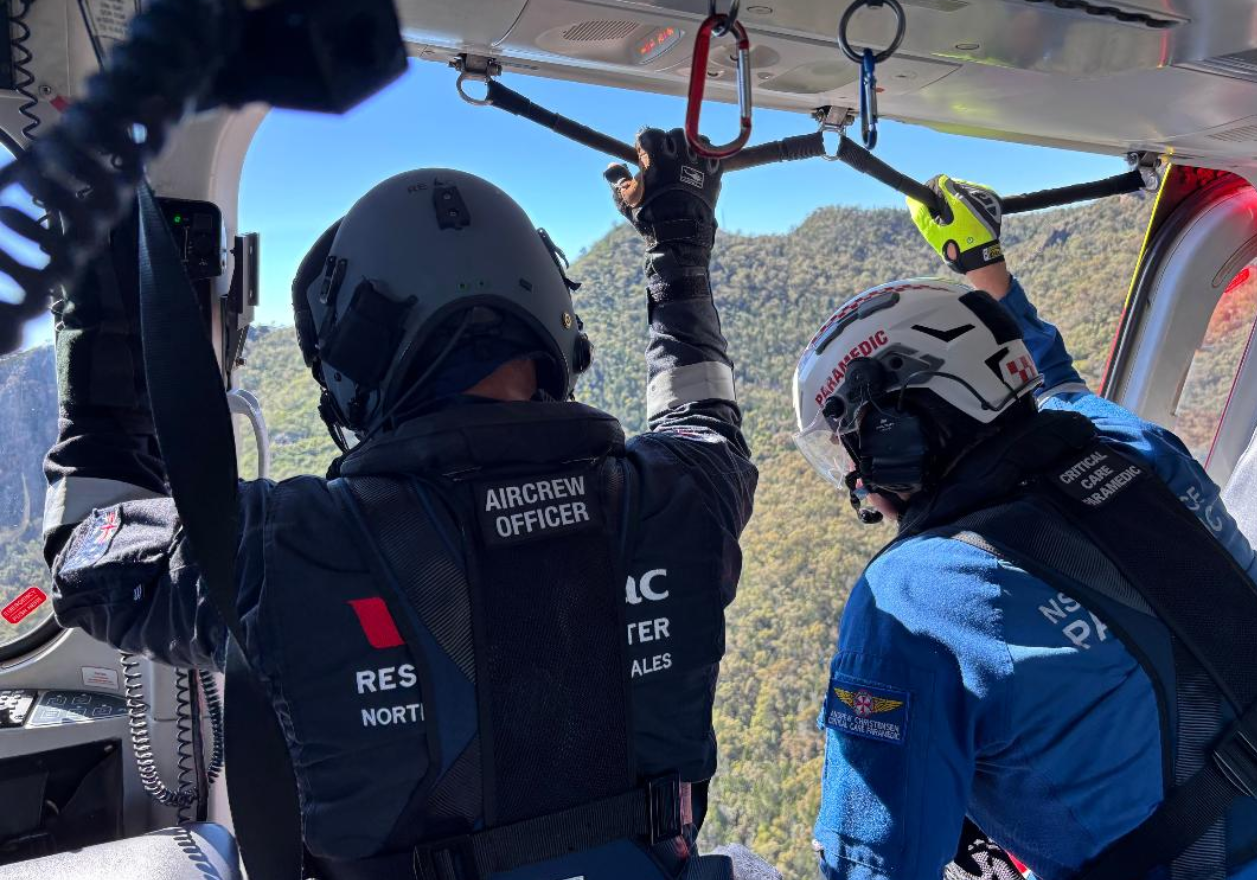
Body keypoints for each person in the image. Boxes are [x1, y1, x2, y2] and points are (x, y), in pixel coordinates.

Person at [41, 128, 756, 879]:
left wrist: (106, 307)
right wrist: (678, 245)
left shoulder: (281, 548)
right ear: (554, 326)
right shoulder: (684, 495)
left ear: (356, 363)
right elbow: (705, 418)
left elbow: (86, 559)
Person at [792, 175, 1257, 880]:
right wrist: (984, 266)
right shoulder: (1129, 444)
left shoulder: (912, 598)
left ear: (900, 434)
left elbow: (875, 864)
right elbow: (1049, 384)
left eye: (855, 448)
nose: (861, 482)